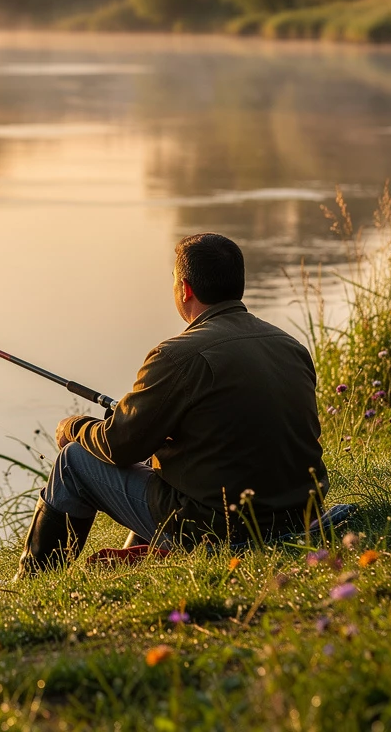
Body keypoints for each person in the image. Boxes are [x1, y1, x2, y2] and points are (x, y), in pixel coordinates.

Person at [17, 232, 328, 576]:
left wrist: (74, 427)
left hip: (223, 529)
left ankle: (28, 580)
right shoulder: (289, 345)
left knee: (74, 461)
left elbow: (119, 446)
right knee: (156, 461)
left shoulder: (175, 355)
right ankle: (140, 560)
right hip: (300, 515)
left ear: (185, 288)